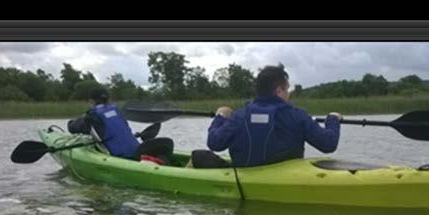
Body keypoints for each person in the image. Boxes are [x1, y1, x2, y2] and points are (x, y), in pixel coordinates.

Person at [206, 64, 342, 167]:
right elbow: (328, 144)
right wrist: (333, 119)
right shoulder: (297, 116)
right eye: (287, 89)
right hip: (286, 180)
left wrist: (221, 116)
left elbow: (214, 143)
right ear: (278, 91)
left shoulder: (239, 116)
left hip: (245, 178)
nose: (288, 94)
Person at [68, 87, 174, 163]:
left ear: (91, 101)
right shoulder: (117, 111)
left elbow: (72, 128)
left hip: (123, 158)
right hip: (138, 151)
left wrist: (74, 121)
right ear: (108, 99)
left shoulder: (92, 116)